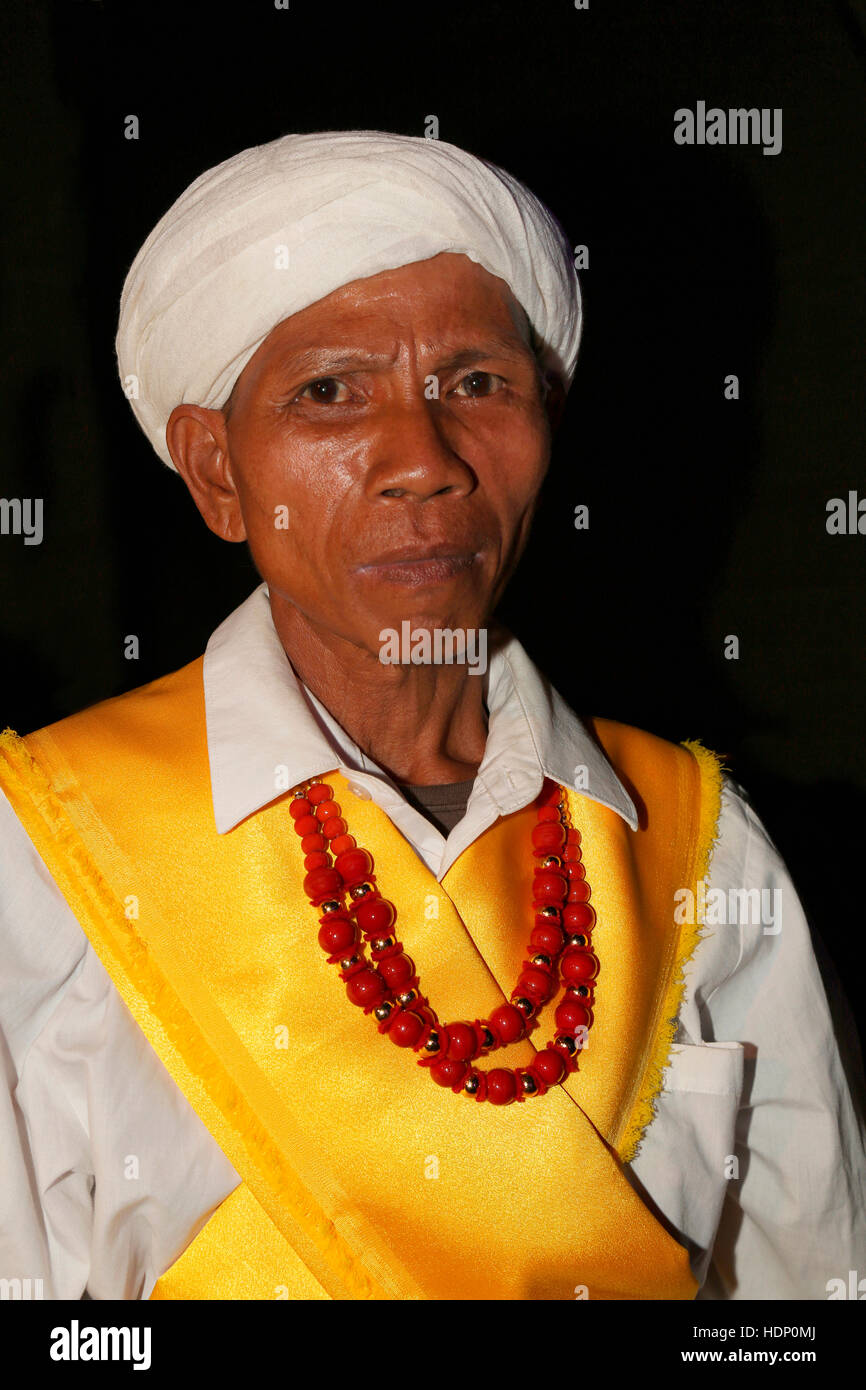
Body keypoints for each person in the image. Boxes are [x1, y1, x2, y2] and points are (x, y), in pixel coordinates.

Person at [0, 130, 863, 1302]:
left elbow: (799, 1293)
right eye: (328, 392)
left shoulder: (695, 844)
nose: (423, 458)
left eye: (474, 383)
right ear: (215, 473)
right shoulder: (50, 852)